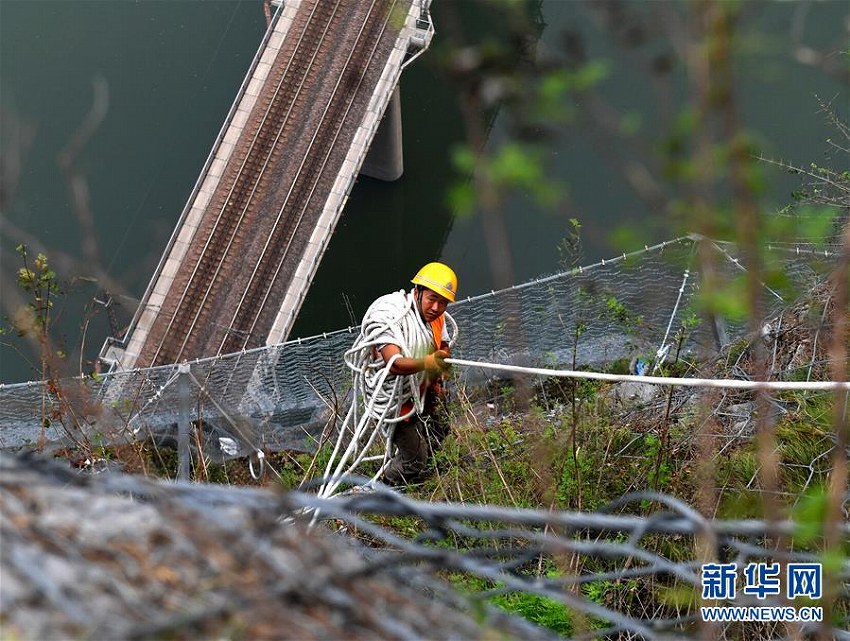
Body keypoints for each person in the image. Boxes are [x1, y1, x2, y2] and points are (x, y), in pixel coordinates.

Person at [357, 262, 458, 486]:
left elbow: (443, 343)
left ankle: (418, 472)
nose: (436, 307)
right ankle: (384, 485)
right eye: (432, 299)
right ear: (418, 291)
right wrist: (429, 362)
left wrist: (440, 365)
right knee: (414, 459)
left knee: (440, 429)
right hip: (397, 401)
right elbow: (394, 363)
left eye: (443, 303)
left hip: (425, 391)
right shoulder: (389, 316)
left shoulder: (435, 318)